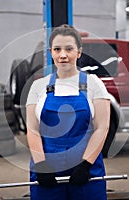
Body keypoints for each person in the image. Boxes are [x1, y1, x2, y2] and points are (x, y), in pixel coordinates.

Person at [26, 24, 111, 200]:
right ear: (51, 52)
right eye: (57, 49)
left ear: (79, 52)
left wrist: (86, 165)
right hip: (47, 168)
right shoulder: (38, 86)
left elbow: (102, 128)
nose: (63, 55)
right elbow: (32, 130)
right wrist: (41, 165)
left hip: (87, 169)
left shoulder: (94, 84)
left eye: (69, 49)